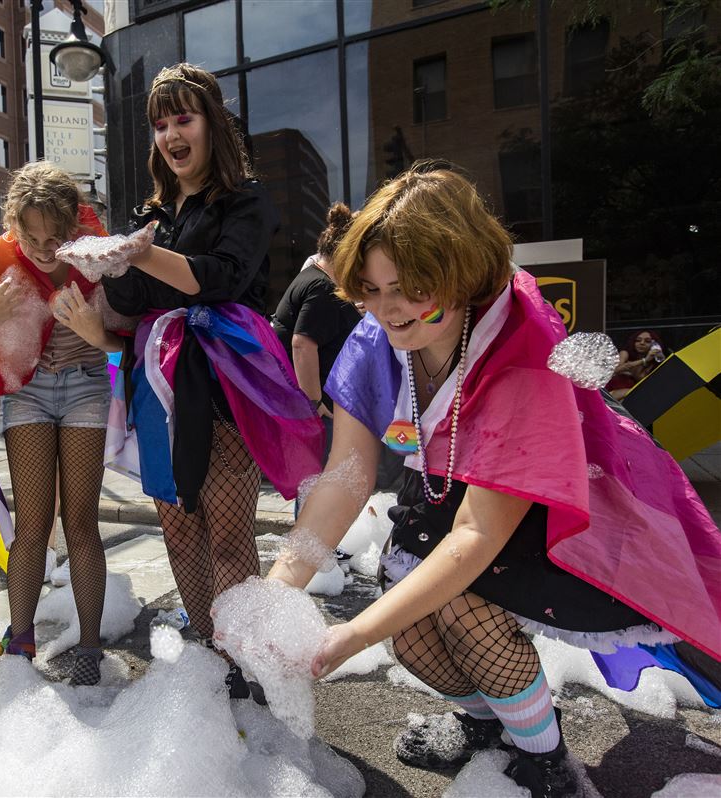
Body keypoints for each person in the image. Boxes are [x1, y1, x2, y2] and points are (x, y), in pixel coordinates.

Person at [258, 164, 720, 797]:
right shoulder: (376, 335)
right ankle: (492, 726)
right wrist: (280, 588)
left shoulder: (522, 345)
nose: (385, 309)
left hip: (545, 508)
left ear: (463, 274)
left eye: (408, 288)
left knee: (463, 606)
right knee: (415, 639)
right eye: (369, 288)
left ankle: (546, 757)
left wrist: (351, 634)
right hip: (446, 492)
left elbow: (479, 533)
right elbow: (347, 474)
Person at [101, 63, 324, 698]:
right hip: (155, 375)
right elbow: (130, 301)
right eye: (161, 123)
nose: (171, 134)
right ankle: (205, 645)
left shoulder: (245, 199)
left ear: (211, 126)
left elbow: (223, 277)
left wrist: (140, 254)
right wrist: (111, 265)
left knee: (226, 530)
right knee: (175, 523)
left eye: (183, 118)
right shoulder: (153, 214)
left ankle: (240, 658)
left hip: (222, 372)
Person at [0, 161, 130, 686]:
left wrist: (96, 333)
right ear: (13, 225)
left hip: (86, 387)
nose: (42, 248)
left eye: (55, 236)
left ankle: (90, 646)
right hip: (26, 394)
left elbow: (126, 342)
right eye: (30, 236)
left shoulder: (97, 253)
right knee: (31, 526)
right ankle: (20, 638)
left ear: (75, 225)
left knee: (81, 523)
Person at [271, 201, 363, 513]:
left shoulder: (313, 277)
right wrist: (314, 403)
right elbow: (302, 344)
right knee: (317, 480)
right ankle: (317, 550)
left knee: (314, 479)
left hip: (310, 402)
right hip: (316, 406)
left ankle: (317, 547)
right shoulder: (322, 287)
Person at [606, 329, 663, 400]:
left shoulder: (652, 362)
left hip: (633, 397)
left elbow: (641, 380)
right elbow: (617, 369)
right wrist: (644, 360)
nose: (642, 343)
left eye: (647, 341)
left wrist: (646, 361)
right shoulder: (625, 353)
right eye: (638, 340)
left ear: (654, 345)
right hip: (612, 393)